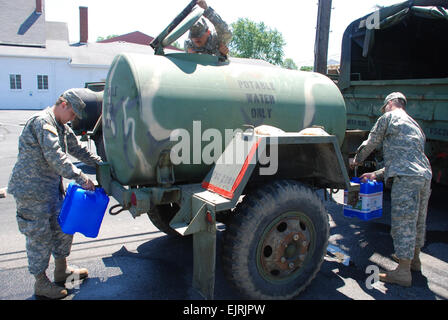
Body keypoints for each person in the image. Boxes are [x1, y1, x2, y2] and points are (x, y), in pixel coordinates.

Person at [8, 89, 102, 299]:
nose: (74, 118)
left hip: (50, 189)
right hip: (31, 191)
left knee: (63, 227)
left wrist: (102, 165)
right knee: (39, 236)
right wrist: (81, 177)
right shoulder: (42, 122)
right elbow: (56, 157)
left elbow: (79, 150)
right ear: (63, 104)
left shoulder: (61, 126)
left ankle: (61, 270)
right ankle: (41, 283)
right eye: (73, 113)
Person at [351, 92, 432, 287]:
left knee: (403, 222)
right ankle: (414, 261)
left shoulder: (388, 117)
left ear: (389, 104)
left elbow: (371, 142)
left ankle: (403, 273)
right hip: (424, 175)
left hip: (407, 178)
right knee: (418, 220)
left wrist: (356, 160)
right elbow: (404, 160)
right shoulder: (414, 124)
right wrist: (374, 175)